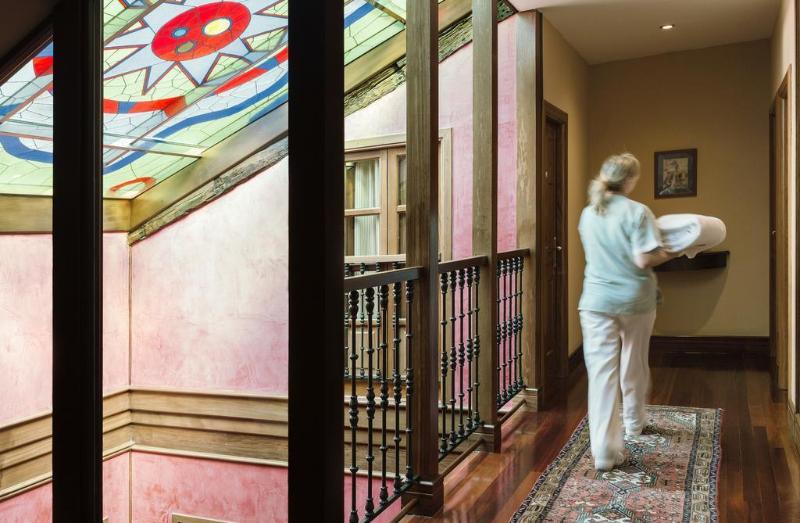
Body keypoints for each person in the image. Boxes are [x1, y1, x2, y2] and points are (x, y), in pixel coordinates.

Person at [578, 153, 679, 471]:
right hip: (635, 300)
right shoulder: (638, 212)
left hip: (596, 301)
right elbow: (643, 259)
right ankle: (635, 422)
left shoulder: (588, 212)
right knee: (634, 360)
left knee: (602, 375)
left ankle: (604, 452)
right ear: (631, 179)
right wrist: (671, 251)